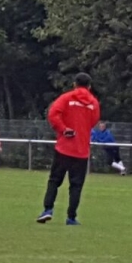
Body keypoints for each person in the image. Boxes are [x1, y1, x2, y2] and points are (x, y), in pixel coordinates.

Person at [37, 73, 101, 225]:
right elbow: (94, 121)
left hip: (64, 148)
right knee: (76, 185)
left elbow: (53, 114)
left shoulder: (66, 98)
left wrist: (63, 129)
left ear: (74, 84)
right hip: (82, 151)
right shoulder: (93, 102)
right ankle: (71, 217)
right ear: (89, 86)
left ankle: (48, 210)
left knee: (54, 180)